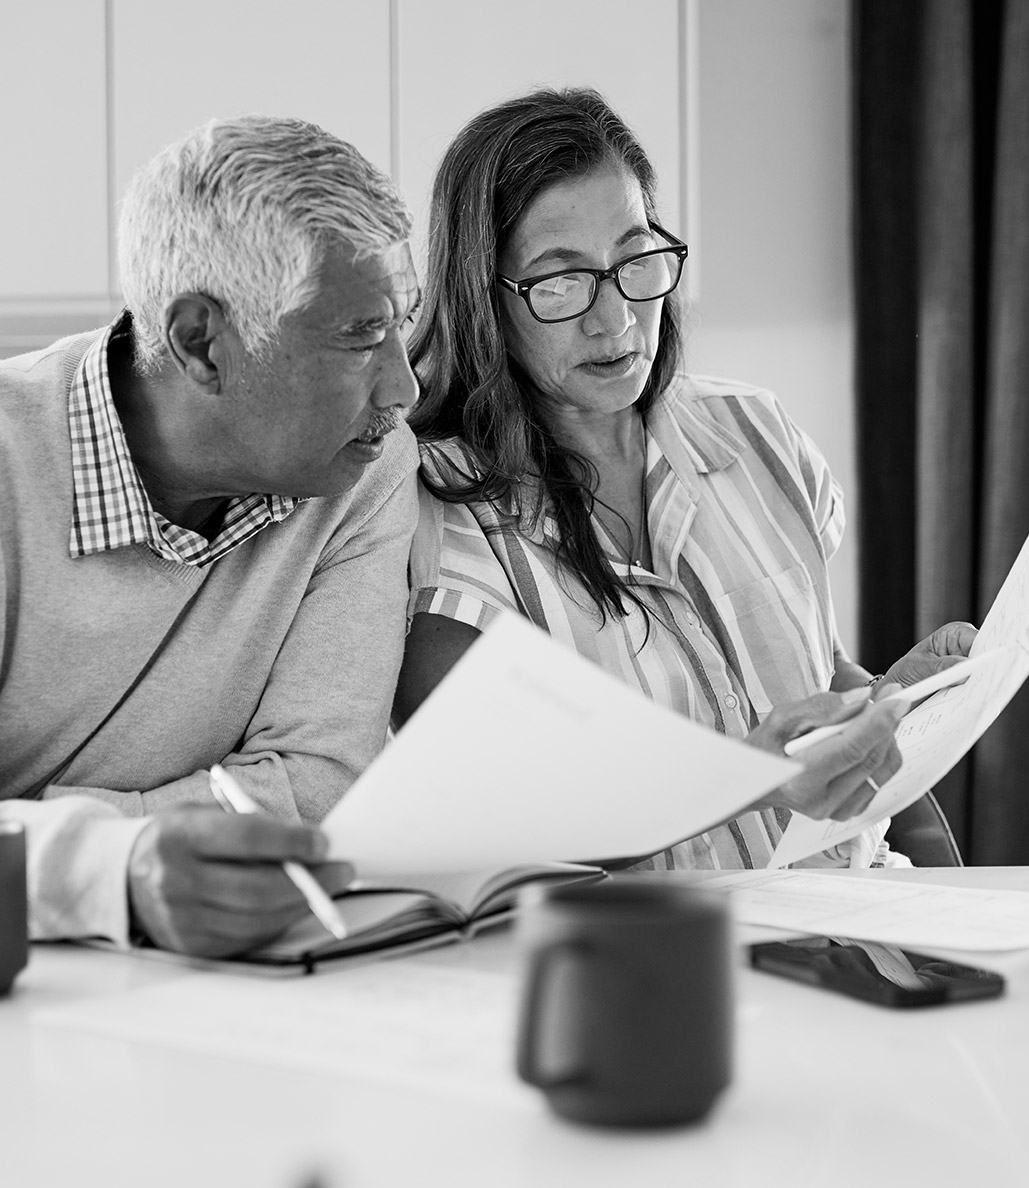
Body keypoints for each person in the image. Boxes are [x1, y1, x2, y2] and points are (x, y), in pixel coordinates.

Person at [0, 116, 421, 957]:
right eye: (360, 337)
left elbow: (316, 793)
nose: (402, 386)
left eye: (401, 324)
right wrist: (119, 870)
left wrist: (4, 840)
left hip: (201, 991)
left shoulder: (364, 465)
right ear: (201, 344)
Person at [396, 89, 974, 870]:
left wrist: (889, 701)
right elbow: (507, 817)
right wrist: (748, 779)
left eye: (635, 260)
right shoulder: (433, 517)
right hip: (655, 965)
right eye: (560, 283)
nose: (616, 321)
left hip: (859, 923)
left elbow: (812, 667)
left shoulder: (755, 431)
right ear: (483, 297)